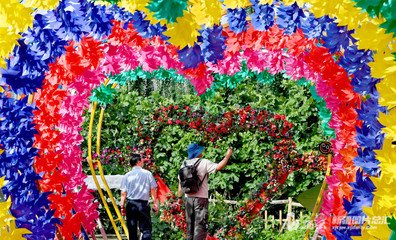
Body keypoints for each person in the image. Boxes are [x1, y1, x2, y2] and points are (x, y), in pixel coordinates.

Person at [178, 143, 233, 240]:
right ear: (197, 152)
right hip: (201, 199)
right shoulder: (204, 162)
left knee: (189, 227)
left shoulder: (184, 164)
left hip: (188, 199)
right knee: (200, 227)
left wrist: (179, 198)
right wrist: (227, 156)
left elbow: (180, 184)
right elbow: (219, 167)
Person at [120, 153, 159, 240]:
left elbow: (123, 193)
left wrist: (122, 206)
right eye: (142, 160)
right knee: (146, 229)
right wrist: (155, 203)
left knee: (132, 229)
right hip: (143, 204)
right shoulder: (147, 173)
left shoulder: (127, 175)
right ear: (138, 162)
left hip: (131, 204)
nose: (143, 162)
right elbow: (153, 189)